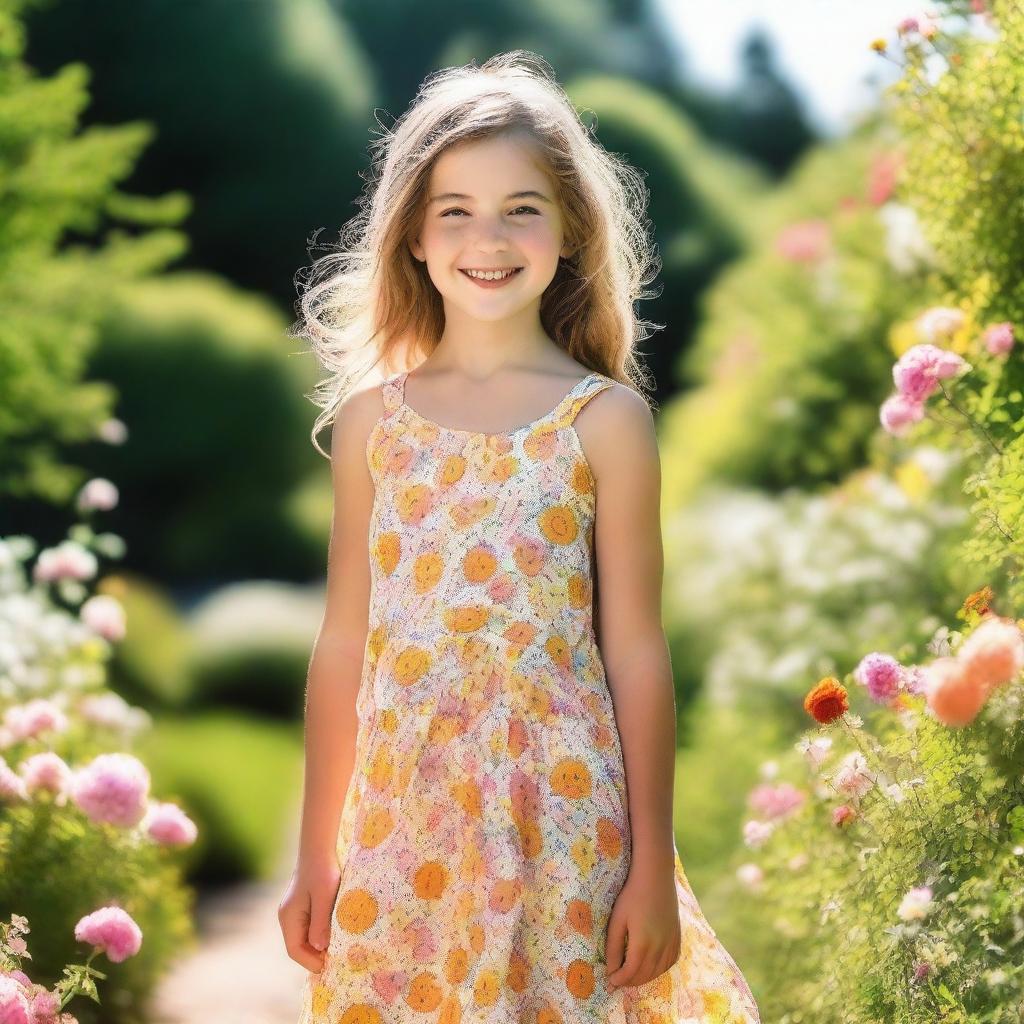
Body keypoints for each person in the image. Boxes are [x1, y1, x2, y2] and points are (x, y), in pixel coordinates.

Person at [279, 49, 761, 1024]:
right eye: (454, 209)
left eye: (522, 208)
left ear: (571, 230)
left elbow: (634, 647)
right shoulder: (376, 423)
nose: (486, 237)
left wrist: (652, 867)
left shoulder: (605, 421)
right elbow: (342, 644)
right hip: (402, 820)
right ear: (412, 234)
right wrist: (312, 853)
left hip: (568, 816)